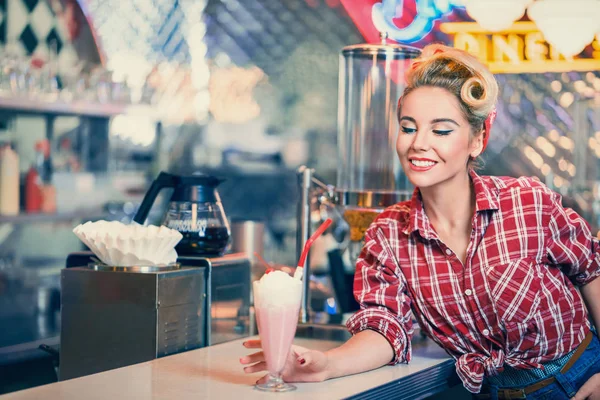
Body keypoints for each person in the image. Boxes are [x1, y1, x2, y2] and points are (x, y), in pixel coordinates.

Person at [240, 44, 600, 399]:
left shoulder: (524, 202)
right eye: (408, 127)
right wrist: (326, 364)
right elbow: (385, 326)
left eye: (441, 131)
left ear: (478, 139)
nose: (418, 144)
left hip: (584, 378)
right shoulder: (387, 236)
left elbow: (592, 272)